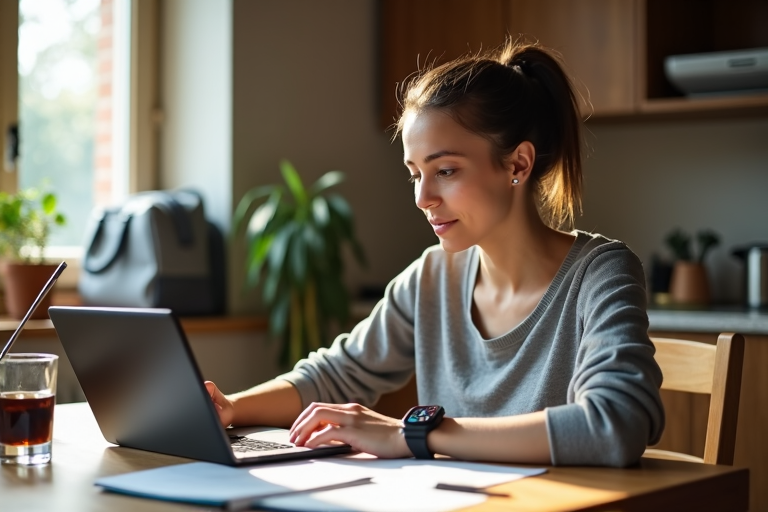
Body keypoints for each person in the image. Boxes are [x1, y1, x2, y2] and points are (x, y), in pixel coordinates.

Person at [206, 39, 664, 467]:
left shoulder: (600, 273)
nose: (423, 197)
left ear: (518, 164)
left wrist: (415, 435)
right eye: (414, 174)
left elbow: (614, 422)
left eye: (445, 170)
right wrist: (230, 408)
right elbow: (337, 374)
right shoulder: (432, 277)